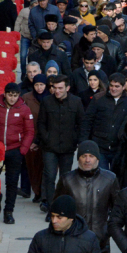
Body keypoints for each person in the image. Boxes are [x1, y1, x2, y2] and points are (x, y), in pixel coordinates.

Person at [54, 141, 120, 253]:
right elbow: (56, 210)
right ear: (78, 158)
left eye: (91, 156)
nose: (87, 160)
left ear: (97, 159)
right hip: (72, 242)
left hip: (100, 243)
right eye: (83, 156)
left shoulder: (109, 179)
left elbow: (118, 210)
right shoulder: (67, 180)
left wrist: (108, 230)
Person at [0, 82, 35, 224]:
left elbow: (29, 132)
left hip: (15, 150)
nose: (12, 98)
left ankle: (8, 211)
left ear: (19, 96)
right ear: (5, 94)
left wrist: (22, 149)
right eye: (10, 95)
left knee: (12, 183)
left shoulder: (24, 109)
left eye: (15, 96)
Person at [21, 195, 106, 253]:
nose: (54, 221)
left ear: (71, 218)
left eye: (59, 217)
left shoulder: (89, 239)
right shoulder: (40, 238)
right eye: (52, 216)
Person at [37, 74, 85, 216]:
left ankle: (62, 209)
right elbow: (41, 123)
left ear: (67, 88)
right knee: (50, 176)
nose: (57, 91)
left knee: (66, 179)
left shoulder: (76, 102)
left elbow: (81, 123)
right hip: (49, 146)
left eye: (60, 88)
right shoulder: (47, 101)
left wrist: (76, 139)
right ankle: (51, 209)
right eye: (54, 88)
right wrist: (46, 138)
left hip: (68, 147)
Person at [80, 73, 127, 170]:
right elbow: (87, 121)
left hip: (119, 147)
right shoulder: (98, 98)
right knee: (101, 178)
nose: (113, 89)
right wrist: (84, 143)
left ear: (123, 87)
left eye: (117, 86)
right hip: (100, 146)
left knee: (117, 179)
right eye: (111, 86)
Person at [22, 73, 48, 203]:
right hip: (30, 138)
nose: (39, 88)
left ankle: (43, 193)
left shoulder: (50, 97)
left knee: (45, 168)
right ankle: (37, 190)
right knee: (32, 167)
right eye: (37, 85)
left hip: (46, 139)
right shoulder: (26, 98)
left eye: (42, 84)